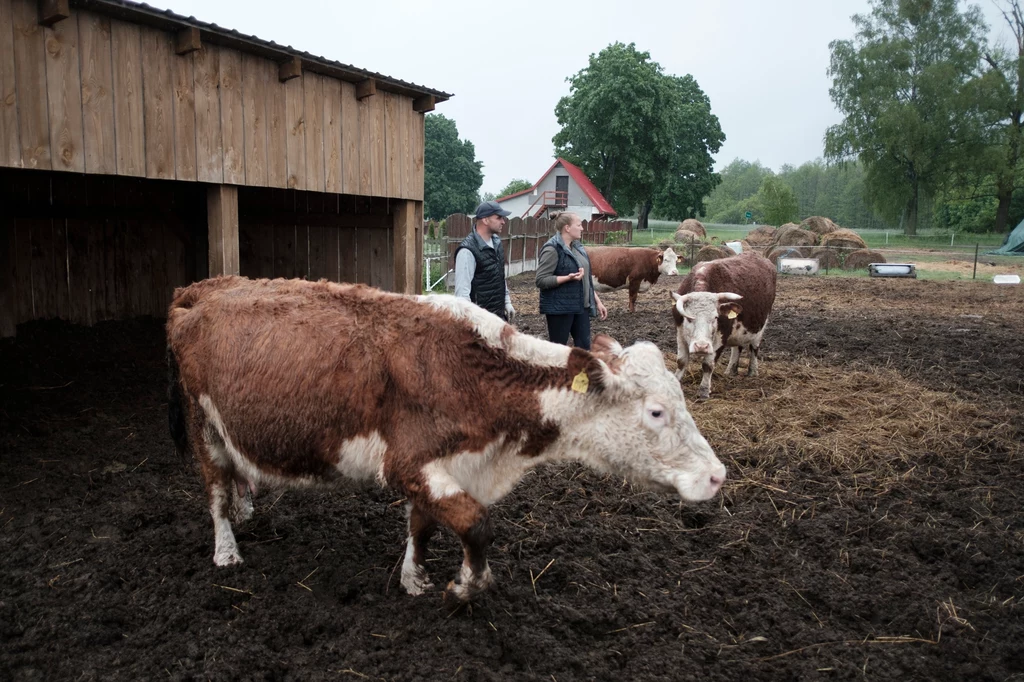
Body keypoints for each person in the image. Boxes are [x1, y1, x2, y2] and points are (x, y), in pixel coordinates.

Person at [535, 211, 607, 350]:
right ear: (567, 228)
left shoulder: (577, 248)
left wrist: (597, 301)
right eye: (579, 225)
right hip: (561, 309)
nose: (582, 228)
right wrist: (567, 278)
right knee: (558, 351)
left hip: (581, 307)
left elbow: (585, 279)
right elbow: (541, 280)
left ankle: (579, 373)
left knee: (584, 350)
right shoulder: (552, 249)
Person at [454, 201, 515, 321]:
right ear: (485, 220)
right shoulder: (467, 251)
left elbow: (499, 277)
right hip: (479, 322)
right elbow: (462, 295)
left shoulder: (497, 243)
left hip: (497, 317)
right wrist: (471, 322)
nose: (503, 221)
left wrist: (507, 302)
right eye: (498, 218)